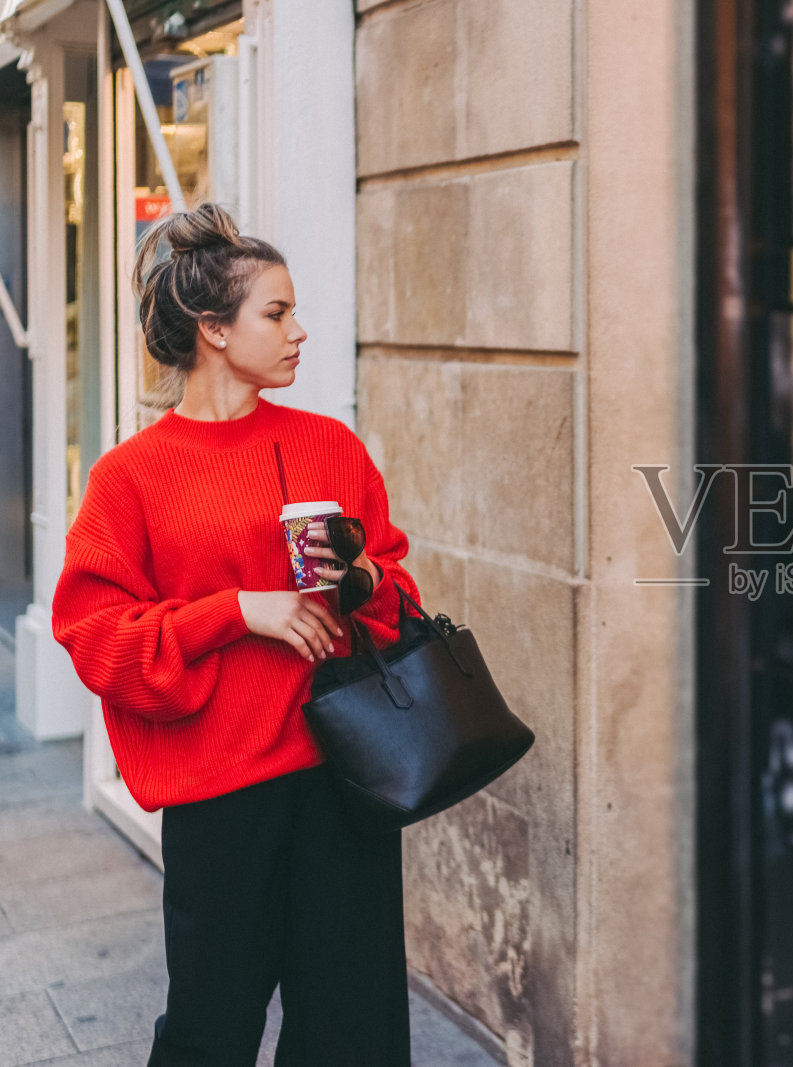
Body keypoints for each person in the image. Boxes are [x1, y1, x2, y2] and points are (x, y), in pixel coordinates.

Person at [51, 202, 420, 1065]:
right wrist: (238, 610)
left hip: (346, 778)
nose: (299, 332)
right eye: (277, 312)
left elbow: (398, 584)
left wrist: (355, 580)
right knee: (210, 1029)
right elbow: (96, 633)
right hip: (221, 798)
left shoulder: (329, 446)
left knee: (352, 1027)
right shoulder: (130, 477)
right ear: (213, 329)